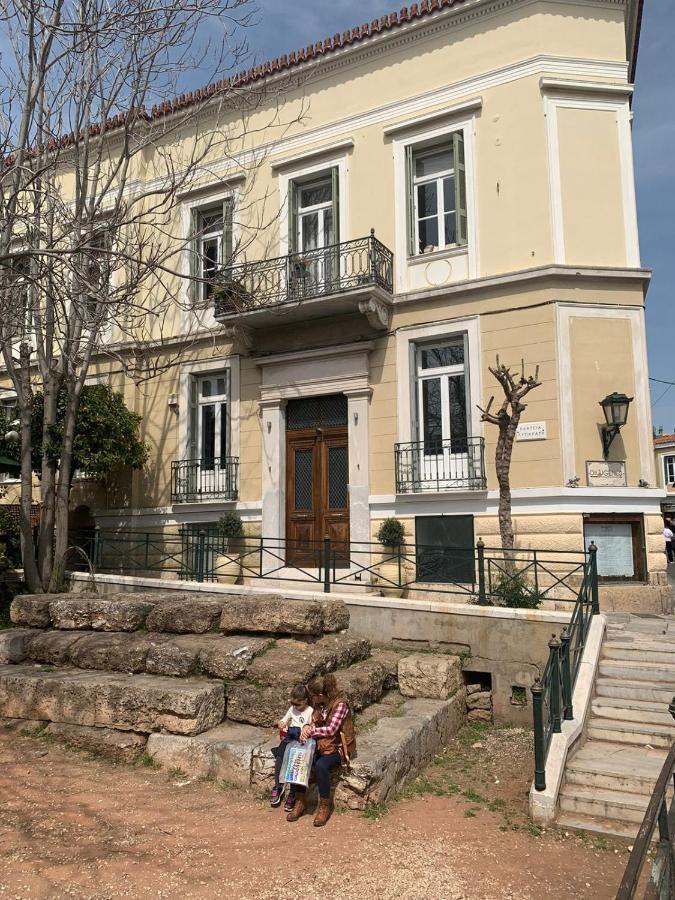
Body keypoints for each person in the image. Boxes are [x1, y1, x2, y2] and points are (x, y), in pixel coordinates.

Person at [286, 672, 356, 827]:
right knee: (299, 758)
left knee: (321, 766)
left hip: (338, 747)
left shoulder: (340, 705)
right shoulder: (320, 704)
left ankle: (324, 805)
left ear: (321, 694)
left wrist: (312, 731)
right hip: (321, 744)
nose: (313, 699)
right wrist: (307, 728)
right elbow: (315, 722)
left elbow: (331, 730)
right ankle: (299, 801)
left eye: (314, 696)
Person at [270, 684, 313, 810]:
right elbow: (285, 720)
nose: (295, 707)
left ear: (305, 700)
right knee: (280, 755)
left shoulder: (310, 711)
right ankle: (279, 786)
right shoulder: (292, 709)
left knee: (296, 762)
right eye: (293, 703)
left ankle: (293, 792)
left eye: (298, 704)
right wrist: (282, 723)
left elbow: (310, 727)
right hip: (290, 737)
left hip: (302, 740)